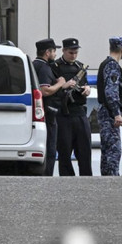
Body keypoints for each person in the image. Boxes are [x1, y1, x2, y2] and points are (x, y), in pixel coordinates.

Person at [32, 38, 74, 176]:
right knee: (50, 150)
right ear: (47, 52)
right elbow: (45, 91)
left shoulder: (34, 65)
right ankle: (47, 178)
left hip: (42, 114)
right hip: (48, 114)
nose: (55, 54)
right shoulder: (44, 67)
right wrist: (60, 84)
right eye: (54, 51)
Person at [52, 38, 93, 176]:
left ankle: (86, 180)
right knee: (64, 151)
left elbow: (85, 83)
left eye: (76, 52)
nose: (73, 55)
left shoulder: (80, 67)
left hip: (80, 112)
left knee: (85, 151)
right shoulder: (55, 67)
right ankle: (67, 181)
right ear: (63, 51)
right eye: (70, 52)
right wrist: (63, 85)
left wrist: (87, 89)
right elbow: (51, 90)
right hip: (64, 113)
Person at [96, 37, 122, 176]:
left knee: (107, 151)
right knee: (113, 151)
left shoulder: (105, 64)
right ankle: (112, 182)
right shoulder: (112, 66)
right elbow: (111, 92)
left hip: (105, 111)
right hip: (109, 114)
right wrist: (116, 113)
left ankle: (106, 182)